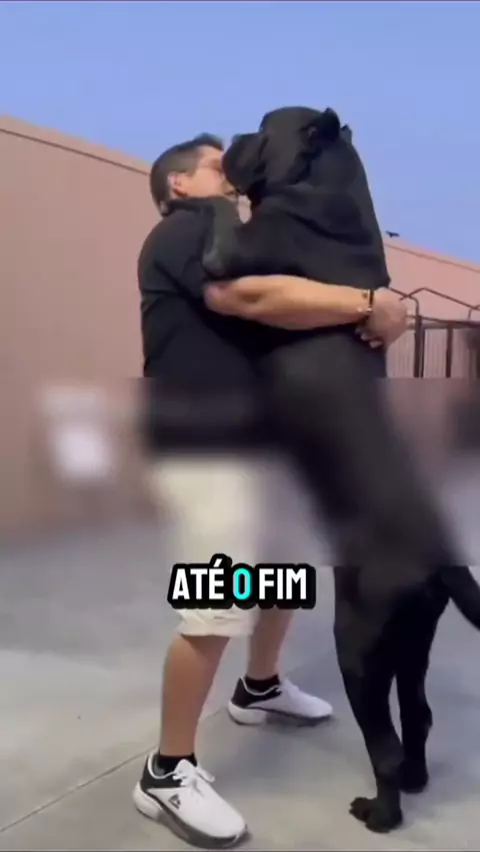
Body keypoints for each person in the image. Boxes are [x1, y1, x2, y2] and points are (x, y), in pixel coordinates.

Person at [134, 133, 407, 849]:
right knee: (214, 603)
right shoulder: (186, 228)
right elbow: (246, 295)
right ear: (179, 185)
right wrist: (367, 302)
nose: (232, 175)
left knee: (281, 573)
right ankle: (166, 771)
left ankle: (259, 688)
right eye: (216, 166)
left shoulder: (237, 235)